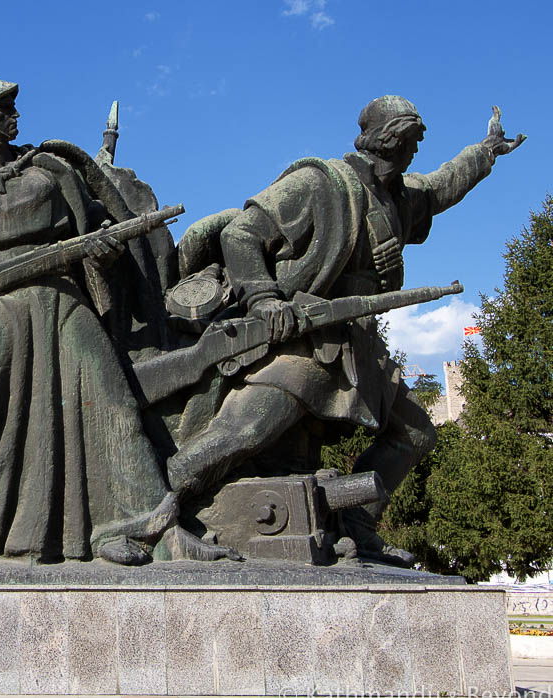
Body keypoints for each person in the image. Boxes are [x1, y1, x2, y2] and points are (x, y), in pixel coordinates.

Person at [166, 97, 524, 564]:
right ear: (386, 137)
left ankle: (357, 525)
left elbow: (441, 187)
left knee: (414, 432)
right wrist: (265, 299)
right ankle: (153, 516)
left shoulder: (398, 196)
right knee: (245, 431)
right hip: (303, 337)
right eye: (410, 139)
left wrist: (485, 152)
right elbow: (241, 235)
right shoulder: (320, 182)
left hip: (356, 345)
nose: (415, 150)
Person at [0, 79, 228, 565]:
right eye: (2, 110)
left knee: (111, 400)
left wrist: (102, 247)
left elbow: (92, 219)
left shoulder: (48, 167)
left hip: (61, 296)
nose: (15, 116)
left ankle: (155, 530)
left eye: (14, 107)